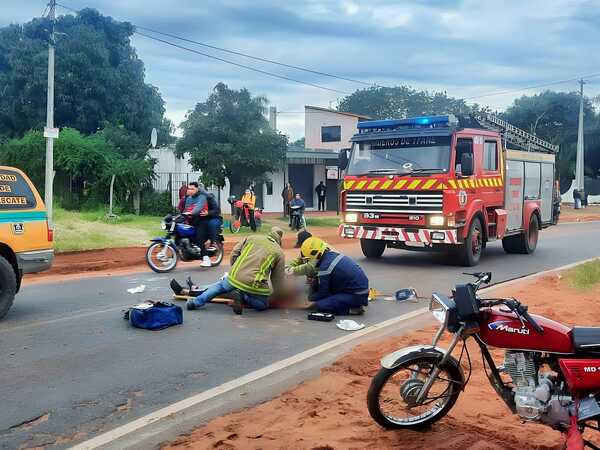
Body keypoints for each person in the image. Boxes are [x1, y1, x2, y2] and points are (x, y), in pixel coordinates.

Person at [186, 227, 286, 314]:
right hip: (254, 284)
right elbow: (277, 279)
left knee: (219, 287)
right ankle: (243, 296)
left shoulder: (252, 238)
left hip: (234, 276)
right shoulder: (279, 252)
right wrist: (277, 295)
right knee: (263, 304)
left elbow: (234, 252)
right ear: (279, 240)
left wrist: (235, 269)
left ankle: (195, 302)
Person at [299, 237, 369, 315]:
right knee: (317, 290)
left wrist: (308, 300)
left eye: (308, 259)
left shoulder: (325, 267)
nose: (308, 262)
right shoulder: (331, 256)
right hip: (358, 290)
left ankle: (352, 309)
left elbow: (323, 293)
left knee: (321, 306)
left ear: (315, 255)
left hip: (356, 295)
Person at [182, 182, 211, 267]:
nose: (190, 190)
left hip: (202, 220)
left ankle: (206, 258)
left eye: (192, 189)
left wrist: (190, 213)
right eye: (189, 189)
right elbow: (185, 209)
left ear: (197, 189)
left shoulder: (202, 197)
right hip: (192, 219)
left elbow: (198, 208)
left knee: (199, 237)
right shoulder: (189, 199)